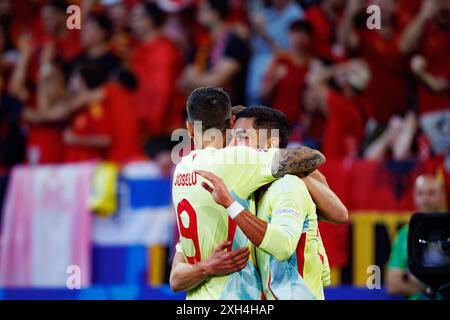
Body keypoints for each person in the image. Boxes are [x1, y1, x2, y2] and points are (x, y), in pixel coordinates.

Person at [170, 86, 325, 300]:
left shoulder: (181, 170)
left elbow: (175, 280)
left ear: (189, 128)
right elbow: (312, 157)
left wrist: (205, 267)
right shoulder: (236, 161)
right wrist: (269, 150)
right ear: (232, 123)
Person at [194, 106, 348, 299]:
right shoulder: (247, 186)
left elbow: (339, 214)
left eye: (243, 137)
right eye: (231, 138)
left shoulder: (289, 185)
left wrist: (285, 166)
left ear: (270, 145)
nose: (232, 146)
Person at [338, 0, 410, 126]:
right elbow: (345, 41)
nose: (383, 7)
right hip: (375, 114)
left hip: (403, 109)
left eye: (387, 3)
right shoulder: (367, 33)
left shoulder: (402, 29)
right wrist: (350, 12)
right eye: (378, 4)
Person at [400, 0, 450, 160]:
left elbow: (441, 86)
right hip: (429, 111)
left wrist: (422, 74)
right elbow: (403, 46)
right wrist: (423, 15)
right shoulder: (424, 28)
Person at [386, 174, 447, 299]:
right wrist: (432, 288)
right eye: (420, 193)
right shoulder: (404, 234)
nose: (425, 199)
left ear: (443, 195)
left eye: (431, 193)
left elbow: (401, 279)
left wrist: (411, 277)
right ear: (414, 197)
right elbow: (393, 284)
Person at [179, 0, 250, 106]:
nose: (198, 13)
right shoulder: (202, 42)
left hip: (227, 113)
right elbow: (183, 81)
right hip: (201, 110)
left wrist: (194, 80)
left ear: (215, 13)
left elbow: (218, 80)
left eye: (203, 10)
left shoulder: (234, 41)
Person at [130, 1, 183, 137]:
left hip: (163, 130)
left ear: (149, 21)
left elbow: (163, 92)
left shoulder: (163, 50)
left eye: (136, 16)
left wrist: (153, 130)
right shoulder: (140, 49)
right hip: (145, 126)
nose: (131, 20)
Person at [306, 59, 370, 160]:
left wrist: (345, 66)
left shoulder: (341, 105)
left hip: (334, 165)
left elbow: (315, 79)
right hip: (345, 165)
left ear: (346, 84)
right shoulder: (359, 107)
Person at [260, 20, 314, 127]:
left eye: (303, 35)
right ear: (288, 36)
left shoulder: (312, 65)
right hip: (276, 121)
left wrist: (308, 115)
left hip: (300, 126)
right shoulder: (279, 60)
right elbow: (263, 94)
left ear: (309, 39)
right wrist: (275, 79)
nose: (299, 39)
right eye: (295, 34)